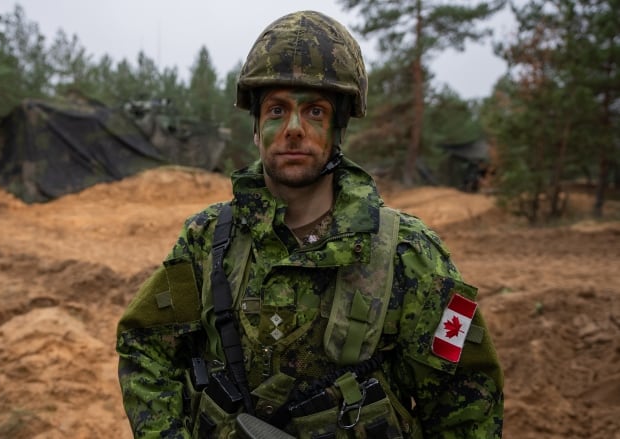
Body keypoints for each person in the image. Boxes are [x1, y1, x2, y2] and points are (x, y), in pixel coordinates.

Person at [117, 10, 503, 439]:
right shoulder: (207, 240)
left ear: (338, 127)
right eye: (277, 109)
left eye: (314, 112)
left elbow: (467, 404)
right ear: (256, 127)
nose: (294, 130)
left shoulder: (410, 256)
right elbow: (145, 346)